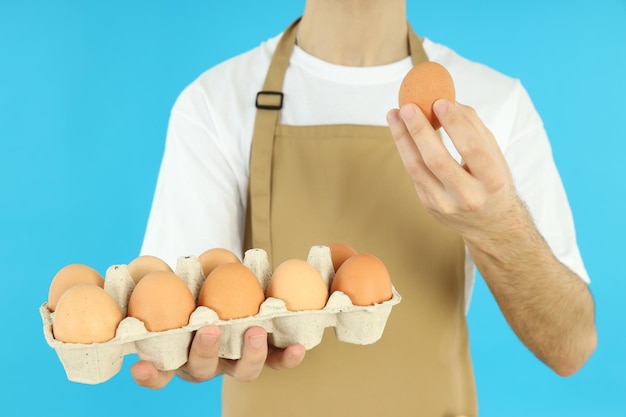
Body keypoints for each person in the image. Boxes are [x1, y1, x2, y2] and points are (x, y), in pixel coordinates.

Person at [131, 1, 597, 416]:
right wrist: (194, 355)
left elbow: (570, 347)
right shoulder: (215, 103)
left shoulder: (493, 103)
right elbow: (183, 321)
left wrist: (500, 225)